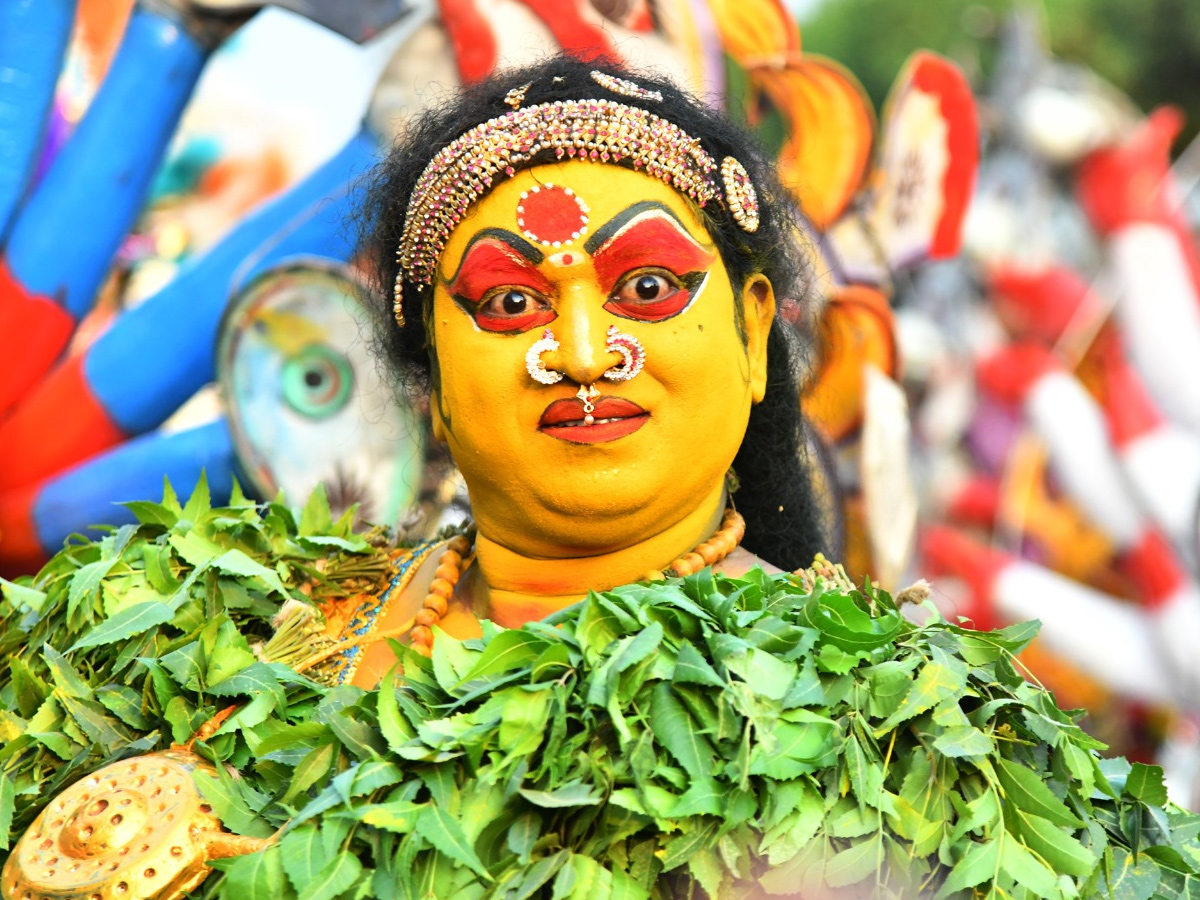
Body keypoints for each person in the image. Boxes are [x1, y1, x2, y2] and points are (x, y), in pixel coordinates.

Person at [2, 56, 1192, 900]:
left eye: (647, 289)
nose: (580, 352)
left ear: (750, 331)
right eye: (511, 302)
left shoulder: (921, 745)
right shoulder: (224, 627)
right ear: (422, 375)